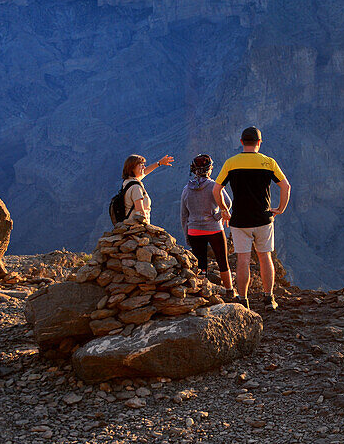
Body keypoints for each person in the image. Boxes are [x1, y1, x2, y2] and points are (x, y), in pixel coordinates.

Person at [213, 127, 291, 310]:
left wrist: (224, 209)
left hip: (240, 221)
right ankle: (268, 298)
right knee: (265, 258)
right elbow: (286, 186)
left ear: (241, 142)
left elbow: (216, 189)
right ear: (259, 142)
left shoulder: (231, 163)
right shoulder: (268, 163)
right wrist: (280, 209)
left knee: (243, 260)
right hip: (263, 219)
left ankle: (243, 300)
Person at [180, 154, 234, 292]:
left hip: (194, 231)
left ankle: (203, 291)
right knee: (223, 261)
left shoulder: (186, 189)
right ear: (209, 169)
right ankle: (229, 291)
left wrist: (187, 235)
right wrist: (217, 216)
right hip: (214, 229)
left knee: (201, 263)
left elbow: (184, 215)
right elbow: (227, 203)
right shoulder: (214, 186)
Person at [121, 153, 174, 222]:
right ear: (132, 167)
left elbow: (144, 172)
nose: (144, 167)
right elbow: (140, 212)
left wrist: (159, 163)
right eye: (141, 165)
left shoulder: (127, 182)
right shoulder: (135, 187)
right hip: (137, 227)